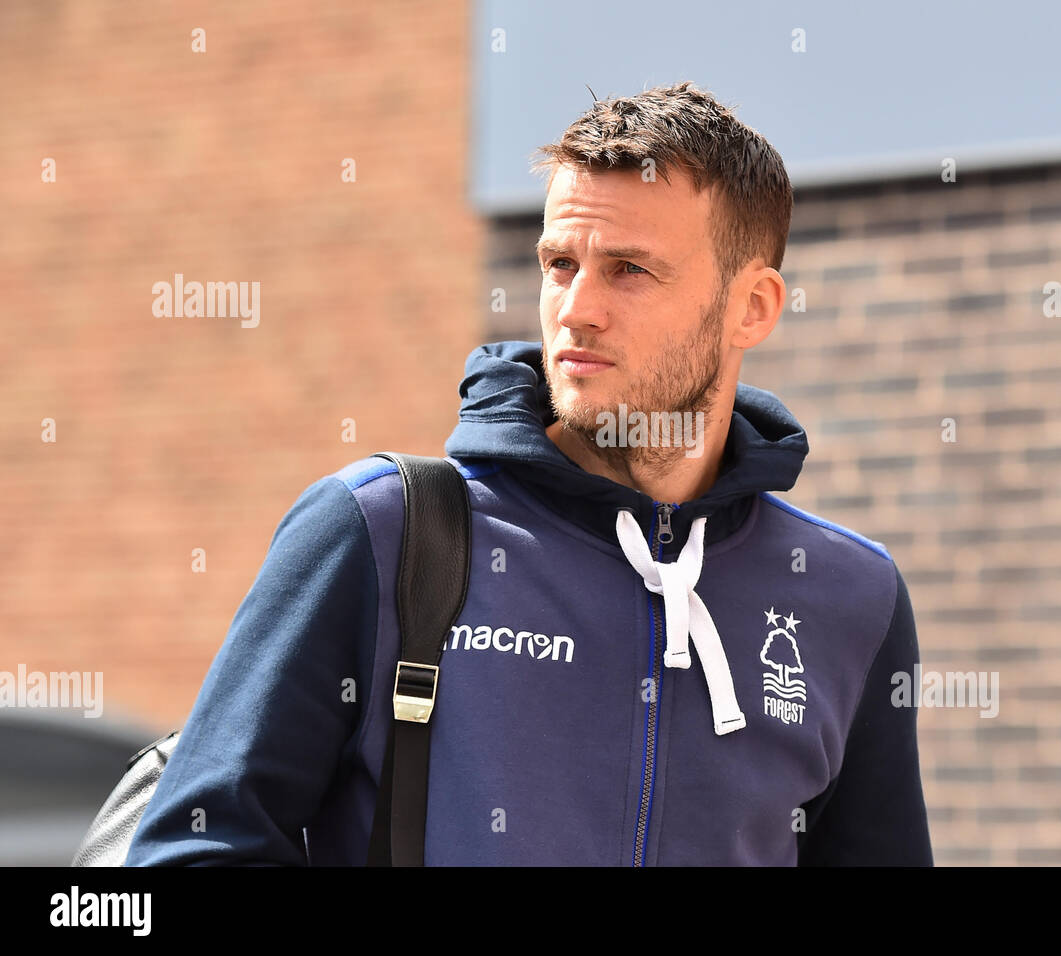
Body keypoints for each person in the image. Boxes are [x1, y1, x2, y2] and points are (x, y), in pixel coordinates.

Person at [125, 81, 932, 866]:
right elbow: (192, 851)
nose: (577, 307)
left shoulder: (850, 597)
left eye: (629, 270)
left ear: (750, 307)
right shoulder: (383, 535)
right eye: (558, 264)